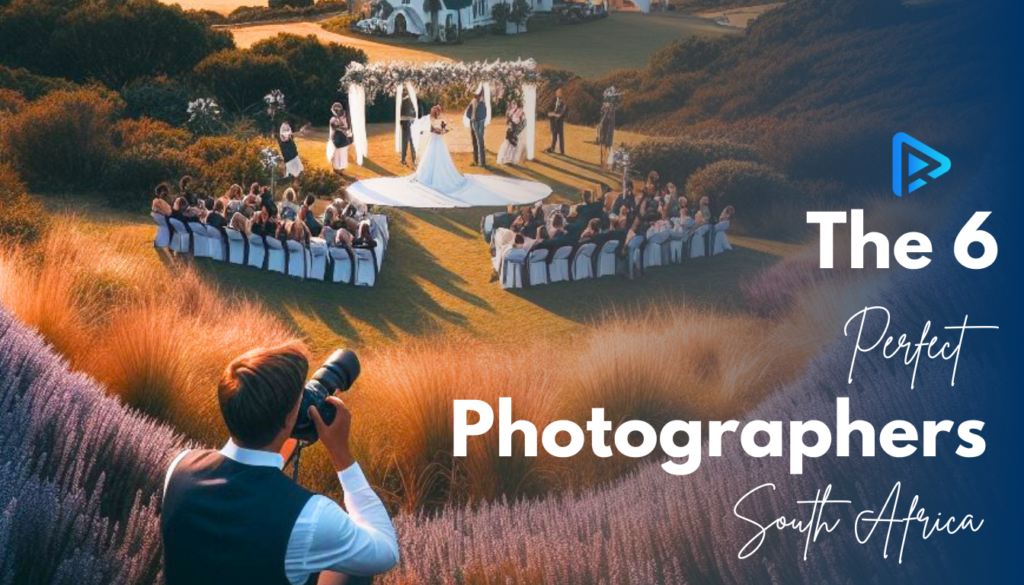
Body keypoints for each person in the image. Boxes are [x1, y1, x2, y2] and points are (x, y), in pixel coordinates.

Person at [161, 343, 399, 585]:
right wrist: (341, 453)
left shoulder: (179, 467)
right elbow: (387, 551)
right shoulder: (311, 517)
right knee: (354, 572)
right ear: (290, 418)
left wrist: (286, 429)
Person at [414, 106, 467, 193]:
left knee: (441, 156)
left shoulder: (441, 119)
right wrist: (437, 131)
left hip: (439, 141)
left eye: (438, 111)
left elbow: (445, 127)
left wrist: (444, 130)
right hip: (433, 140)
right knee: (430, 156)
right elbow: (429, 129)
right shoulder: (429, 119)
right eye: (436, 111)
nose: (437, 112)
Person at [327, 102, 353, 176]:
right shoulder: (333, 119)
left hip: (343, 140)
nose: (338, 111)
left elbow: (347, 127)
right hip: (336, 140)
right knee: (336, 155)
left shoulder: (344, 118)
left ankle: (341, 170)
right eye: (336, 110)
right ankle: (336, 169)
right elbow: (338, 127)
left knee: (343, 155)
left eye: (339, 110)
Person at [464, 91, 488, 168]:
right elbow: (468, 112)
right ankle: (476, 161)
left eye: (477, 95)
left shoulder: (482, 103)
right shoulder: (473, 102)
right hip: (473, 122)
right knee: (474, 141)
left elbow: (484, 114)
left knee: (480, 142)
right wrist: (472, 118)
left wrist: (478, 119)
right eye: (475, 95)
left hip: (479, 123)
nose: (476, 96)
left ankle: (482, 162)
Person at [399, 91, 418, 167]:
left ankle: (404, 159)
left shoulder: (404, 102)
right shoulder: (410, 101)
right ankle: (413, 159)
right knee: (411, 142)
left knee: (406, 142)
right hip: (409, 123)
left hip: (406, 124)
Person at [545, 88, 567, 155]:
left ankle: (562, 151)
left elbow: (563, 112)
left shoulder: (563, 102)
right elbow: (549, 109)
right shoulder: (554, 100)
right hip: (553, 121)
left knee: (560, 136)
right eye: (557, 92)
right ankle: (552, 148)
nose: (558, 93)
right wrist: (550, 113)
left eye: (560, 92)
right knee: (554, 135)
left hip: (559, 121)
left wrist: (555, 114)